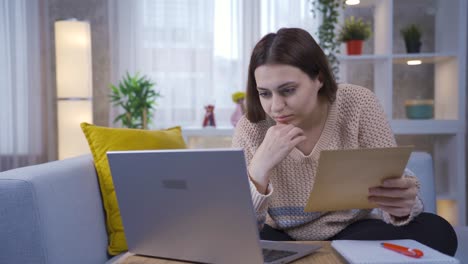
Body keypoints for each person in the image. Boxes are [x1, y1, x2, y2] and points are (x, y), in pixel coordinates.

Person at [231, 28, 458, 256]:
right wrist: (259, 168)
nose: (276, 107)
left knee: (439, 231)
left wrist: (402, 206)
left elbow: (396, 184)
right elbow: (240, 225)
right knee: (234, 241)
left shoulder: (357, 103)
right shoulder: (251, 127)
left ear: (319, 78)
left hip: (353, 230)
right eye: (265, 94)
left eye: (288, 90)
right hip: (280, 235)